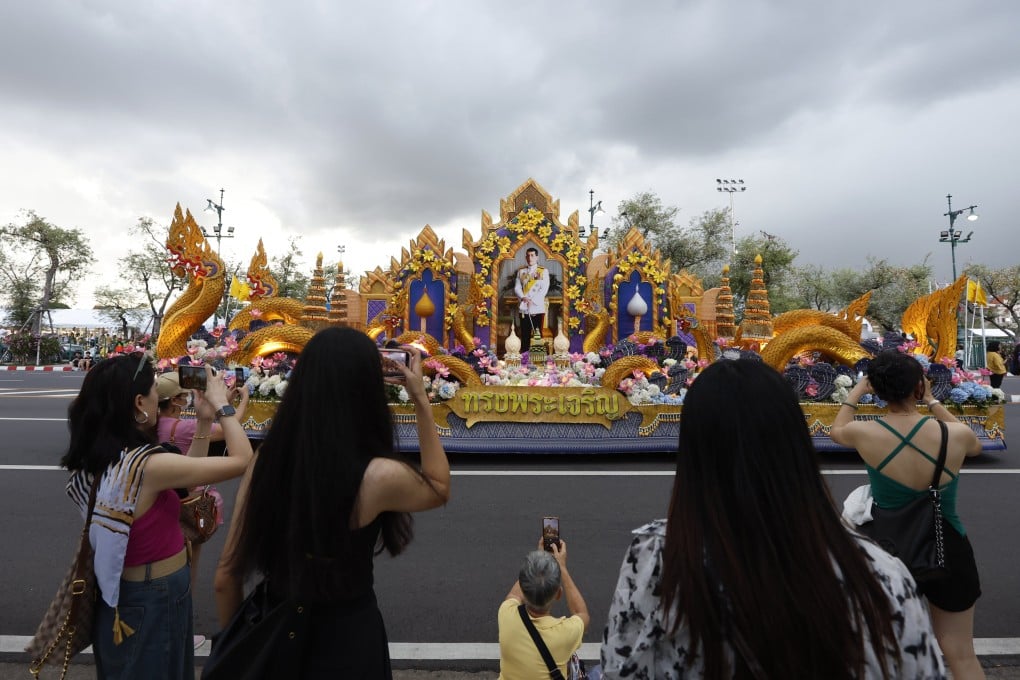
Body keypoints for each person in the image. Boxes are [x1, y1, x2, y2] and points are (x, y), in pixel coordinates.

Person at [601, 358, 944, 680]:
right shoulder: (880, 576)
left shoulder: (657, 559)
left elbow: (620, 664)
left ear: (692, 453)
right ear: (795, 443)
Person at [213, 326, 451, 677]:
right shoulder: (376, 475)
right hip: (348, 643)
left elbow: (225, 577)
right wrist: (420, 400)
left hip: (276, 635)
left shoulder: (267, 460)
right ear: (367, 389)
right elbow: (439, 485)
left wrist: (241, 646)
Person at [61, 353, 253, 679]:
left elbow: (188, 481)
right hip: (152, 597)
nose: (157, 398)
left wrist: (204, 421)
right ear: (138, 403)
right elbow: (241, 459)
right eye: (153, 390)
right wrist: (223, 406)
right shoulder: (147, 465)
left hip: (132, 595)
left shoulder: (109, 458)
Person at [831, 349, 985, 679]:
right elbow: (975, 445)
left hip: (889, 553)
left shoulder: (864, 432)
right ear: (918, 384)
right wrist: (931, 401)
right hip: (949, 549)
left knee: (887, 651)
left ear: (877, 388)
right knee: (961, 653)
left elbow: (836, 429)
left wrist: (859, 389)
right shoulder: (954, 435)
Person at [155, 371, 249, 592]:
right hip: (190, 498)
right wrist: (240, 400)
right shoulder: (187, 427)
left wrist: (221, 402)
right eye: (184, 395)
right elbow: (231, 427)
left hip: (162, 497)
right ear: (176, 401)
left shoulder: (153, 425)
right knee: (190, 560)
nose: (188, 398)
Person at [498, 542, 589, 680]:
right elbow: (581, 613)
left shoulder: (506, 614)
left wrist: (537, 564)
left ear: (523, 587)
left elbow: (514, 595)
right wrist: (562, 568)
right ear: (559, 594)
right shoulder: (566, 633)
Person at [514, 247, 549, 353]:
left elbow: (544, 289)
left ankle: (538, 358)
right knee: (525, 334)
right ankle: (525, 356)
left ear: (537, 257)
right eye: (528, 255)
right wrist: (523, 297)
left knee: (537, 334)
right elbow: (517, 287)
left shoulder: (543, 271)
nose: (530, 258)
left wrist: (532, 301)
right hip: (524, 307)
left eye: (532, 255)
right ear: (525, 257)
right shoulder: (521, 272)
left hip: (537, 308)